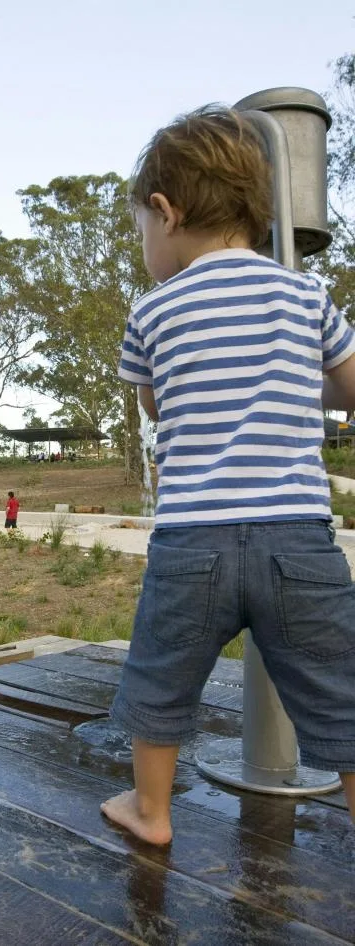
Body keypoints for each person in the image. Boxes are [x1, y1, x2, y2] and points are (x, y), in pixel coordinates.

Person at [100, 106, 355, 845]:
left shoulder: (153, 309)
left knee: (159, 676)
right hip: (296, 540)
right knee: (340, 687)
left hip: (192, 542)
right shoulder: (304, 295)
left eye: (143, 230)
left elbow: (156, 400)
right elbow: (348, 387)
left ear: (165, 211)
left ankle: (152, 812)